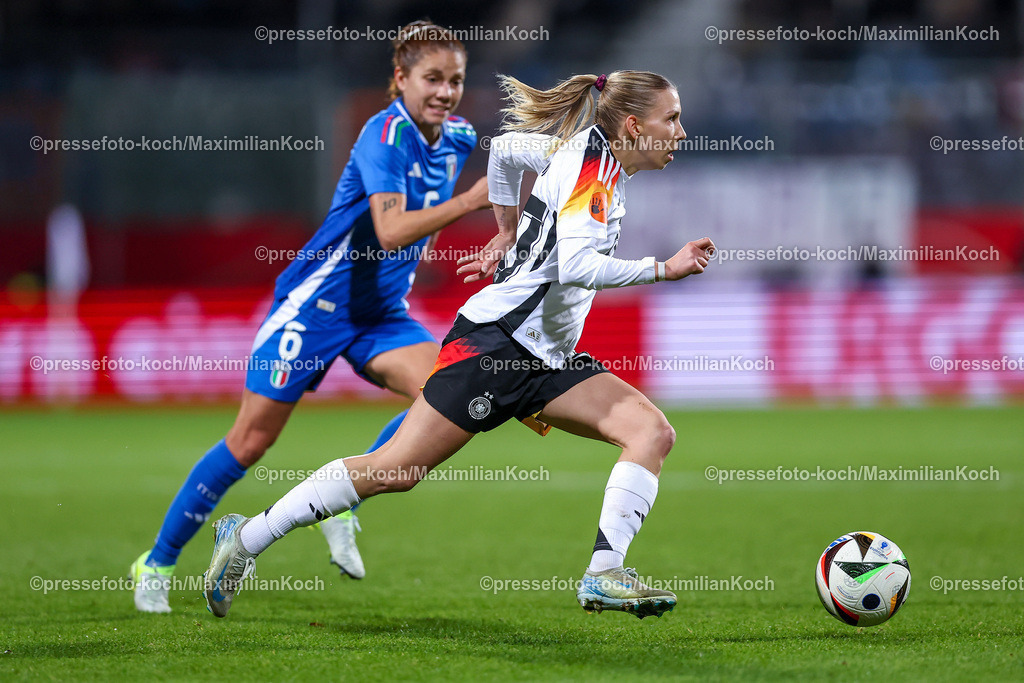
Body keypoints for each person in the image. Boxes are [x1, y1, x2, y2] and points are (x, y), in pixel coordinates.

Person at [202, 69, 716, 620]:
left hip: (544, 357)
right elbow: (577, 263)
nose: (682, 132)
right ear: (635, 126)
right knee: (394, 470)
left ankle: (603, 573)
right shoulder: (592, 172)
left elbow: (506, 151)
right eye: (673, 119)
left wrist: (504, 227)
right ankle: (247, 536)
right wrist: (664, 268)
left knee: (650, 432)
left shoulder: (573, 152)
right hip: (496, 347)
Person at [130, 20, 490, 613]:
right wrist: (469, 203)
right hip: (314, 309)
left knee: (445, 397)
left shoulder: (456, 137)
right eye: (432, 78)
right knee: (250, 441)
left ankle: (344, 501)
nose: (445, 92)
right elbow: (391, 229)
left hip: (380, 315)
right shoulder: (383, 135)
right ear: (399, 78)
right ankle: (158, 562)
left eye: (455, 80)